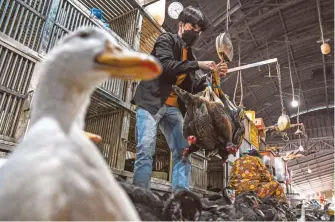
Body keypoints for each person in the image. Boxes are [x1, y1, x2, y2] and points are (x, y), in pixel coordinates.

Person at [131, 6, 228, 192]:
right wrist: (198, 64)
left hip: (173, 108)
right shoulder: (166, 39)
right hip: (151, 102)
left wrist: (213, 77)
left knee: (183, 152)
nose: (196, 33)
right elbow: (165, 65)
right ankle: (139, 196)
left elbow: (192, 87)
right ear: (181, 25)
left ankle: (180, 198)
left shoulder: (190, 55)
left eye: (199, 30)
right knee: (145, 149)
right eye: (193, 27)